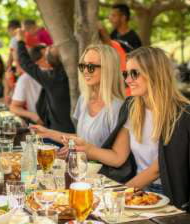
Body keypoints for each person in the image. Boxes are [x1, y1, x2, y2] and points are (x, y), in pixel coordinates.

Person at [73, 47, 190, 211]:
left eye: (134, 73)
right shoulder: (131, 106)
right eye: (126, 74)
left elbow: (157, 169)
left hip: (168, 194)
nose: (128, 80)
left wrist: (119, 194)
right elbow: (119, 156)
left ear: (155, 74)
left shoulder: (182, 114)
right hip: (137, 188)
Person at [31, 44, 125, 150]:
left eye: (91, 67)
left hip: (101, 166)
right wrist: (47, 133)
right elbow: (81, 140)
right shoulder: (84, 99)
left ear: (108, 69)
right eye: (82, 66)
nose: (85, 71)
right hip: (81, 164)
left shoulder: (118, 107)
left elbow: (117, 156)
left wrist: (79, 151)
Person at [16, 29, 74, 133]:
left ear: (48, 61)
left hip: (60, 132)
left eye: (50, 48)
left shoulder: (53, 78)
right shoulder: (72, 73)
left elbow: (25, 62)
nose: (50, 45)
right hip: (71, 129)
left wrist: (20, 41)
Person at [10, 45, 50, 124]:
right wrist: (35, 116)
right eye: (47, 57)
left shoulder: (59, 74)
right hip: (41, 124)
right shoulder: (25, 79)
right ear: (37, 62)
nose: (51, 59)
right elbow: (14, 107)